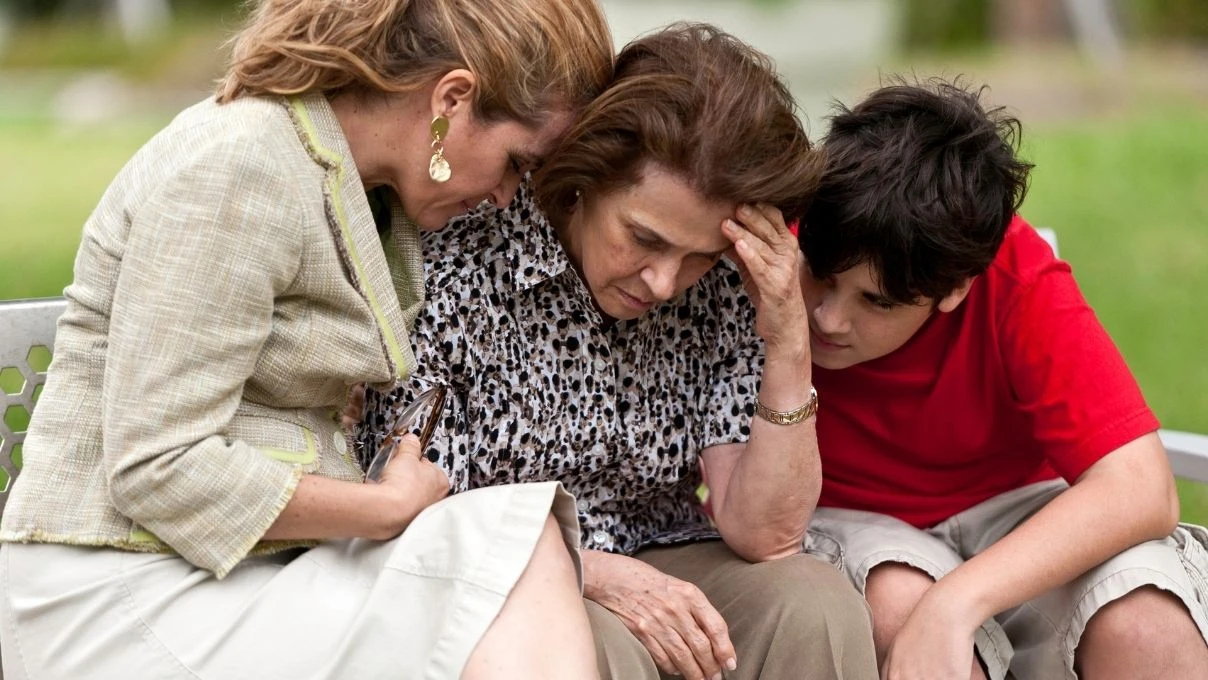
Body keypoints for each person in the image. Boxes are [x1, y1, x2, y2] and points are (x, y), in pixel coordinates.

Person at [0, 1, 615, 678]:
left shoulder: (355, 187)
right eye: (515, 163)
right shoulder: (241, 164)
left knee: (517, 556)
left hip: (233, 577)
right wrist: (381, 508)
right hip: (120, 594)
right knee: (516, 550)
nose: (507, 195)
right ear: (452, 100)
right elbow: (159, 465)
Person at [359, 23, 879, 680]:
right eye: (644, 238)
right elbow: (420, 505)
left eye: (697, 256)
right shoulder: (465, 257)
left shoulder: (724, 286)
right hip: (505, 578)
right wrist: (593, 573)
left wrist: (787, 341)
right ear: (586, 179)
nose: (664, 281)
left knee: (815, 606)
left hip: (661, 553)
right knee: (608, 649)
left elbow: (766, 534)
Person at [796, 77, 1208, 680]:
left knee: (1148, 627)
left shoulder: (1010, 274)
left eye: (876, 302)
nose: (828, 318)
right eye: (822, 276)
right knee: (901, 614)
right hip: (850, 516)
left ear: (955, 290)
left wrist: (957, 601)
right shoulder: (793, 236)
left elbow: (1143, 486)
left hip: (1013, 510)